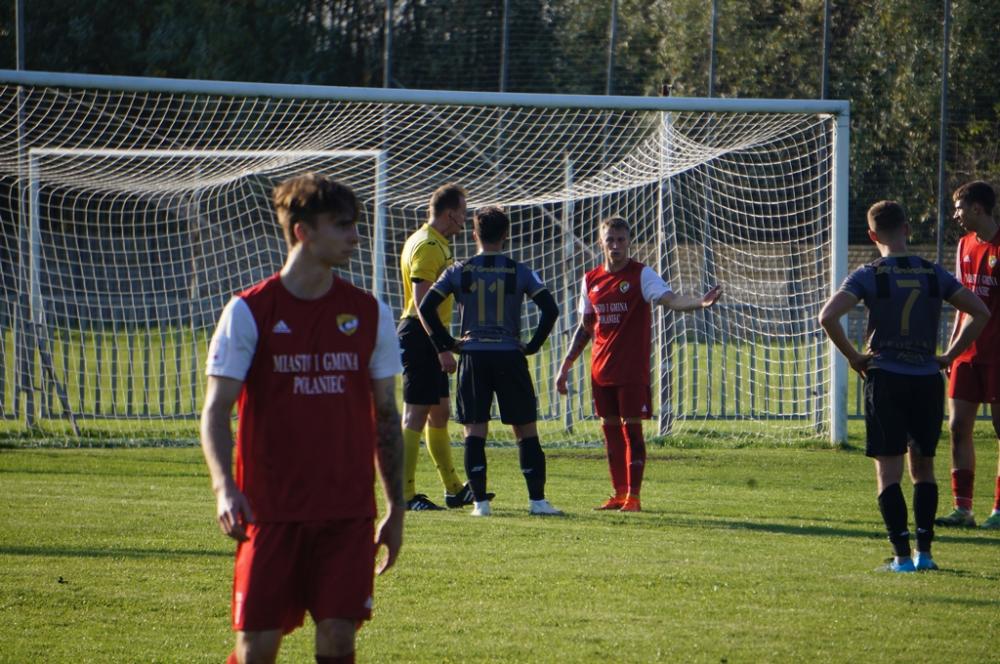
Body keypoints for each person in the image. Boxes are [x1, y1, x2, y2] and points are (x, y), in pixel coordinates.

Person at [200, 173, 405, 664]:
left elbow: (386, 415)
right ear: (303, 232)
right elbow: (216, 411)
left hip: (346, 513)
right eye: (342, 225)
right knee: (257, 647)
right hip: (270, 511)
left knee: (339, 638)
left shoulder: (370, 313)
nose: (355, 236)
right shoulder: (248, 312)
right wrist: (224, 487)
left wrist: (395, 508)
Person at [819, 200, 988, 572]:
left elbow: (828, 316)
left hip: (887, 378)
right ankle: (924, 554)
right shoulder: (933, 272)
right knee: (924, 468)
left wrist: (854, 357)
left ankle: (900, 557)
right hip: (926, 380)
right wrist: (949, 355)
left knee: (888, 472)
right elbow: (981, 311)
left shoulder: (869, 274)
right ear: (908, 229)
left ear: (872, 235)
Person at [554, 216, 722, 512]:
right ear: (601, 242)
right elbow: (586, 327)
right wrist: (566, 365)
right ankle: (618, 494)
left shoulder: (642, 275)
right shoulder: (590, 279)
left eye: (620, 240)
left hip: (631, 371)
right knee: (610, 434)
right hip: (600, 371)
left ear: (629, 242)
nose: (615, 245)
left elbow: (670, 299)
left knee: (632, 432)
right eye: (610, 240)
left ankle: (633, 496)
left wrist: (699, 302)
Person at [418, 205, 561, 517]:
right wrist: (532, 345)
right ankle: (537, 501)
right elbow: (551, 309)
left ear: (474, 234)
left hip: (473, 356)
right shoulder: (520, 270)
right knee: (525, 429)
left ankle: (480, 504)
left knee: (474, 430)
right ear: (506, 235)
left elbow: (426, 308)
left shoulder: (458, 270)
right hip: (509, 355)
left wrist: (448, 343)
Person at [397, 183, 478, 511]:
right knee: (415, 414)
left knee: (440, 413)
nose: (465, 218)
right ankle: (404, 495)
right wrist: (441, 347)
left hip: (429, 334)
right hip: (420, 334)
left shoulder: (435, 242)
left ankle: (453, 489)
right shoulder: (428, 245)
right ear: (450, 213)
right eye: (463, 212)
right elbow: (422, 304)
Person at [937, 181, 1000, 529]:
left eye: (959, 208)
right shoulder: (964, 245)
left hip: (997, 354)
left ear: (977, 208)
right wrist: (952, 351)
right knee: (958, 426)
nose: (955, 215)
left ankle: (999, 510)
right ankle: (963, 510)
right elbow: (962, 306)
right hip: (966, 353)